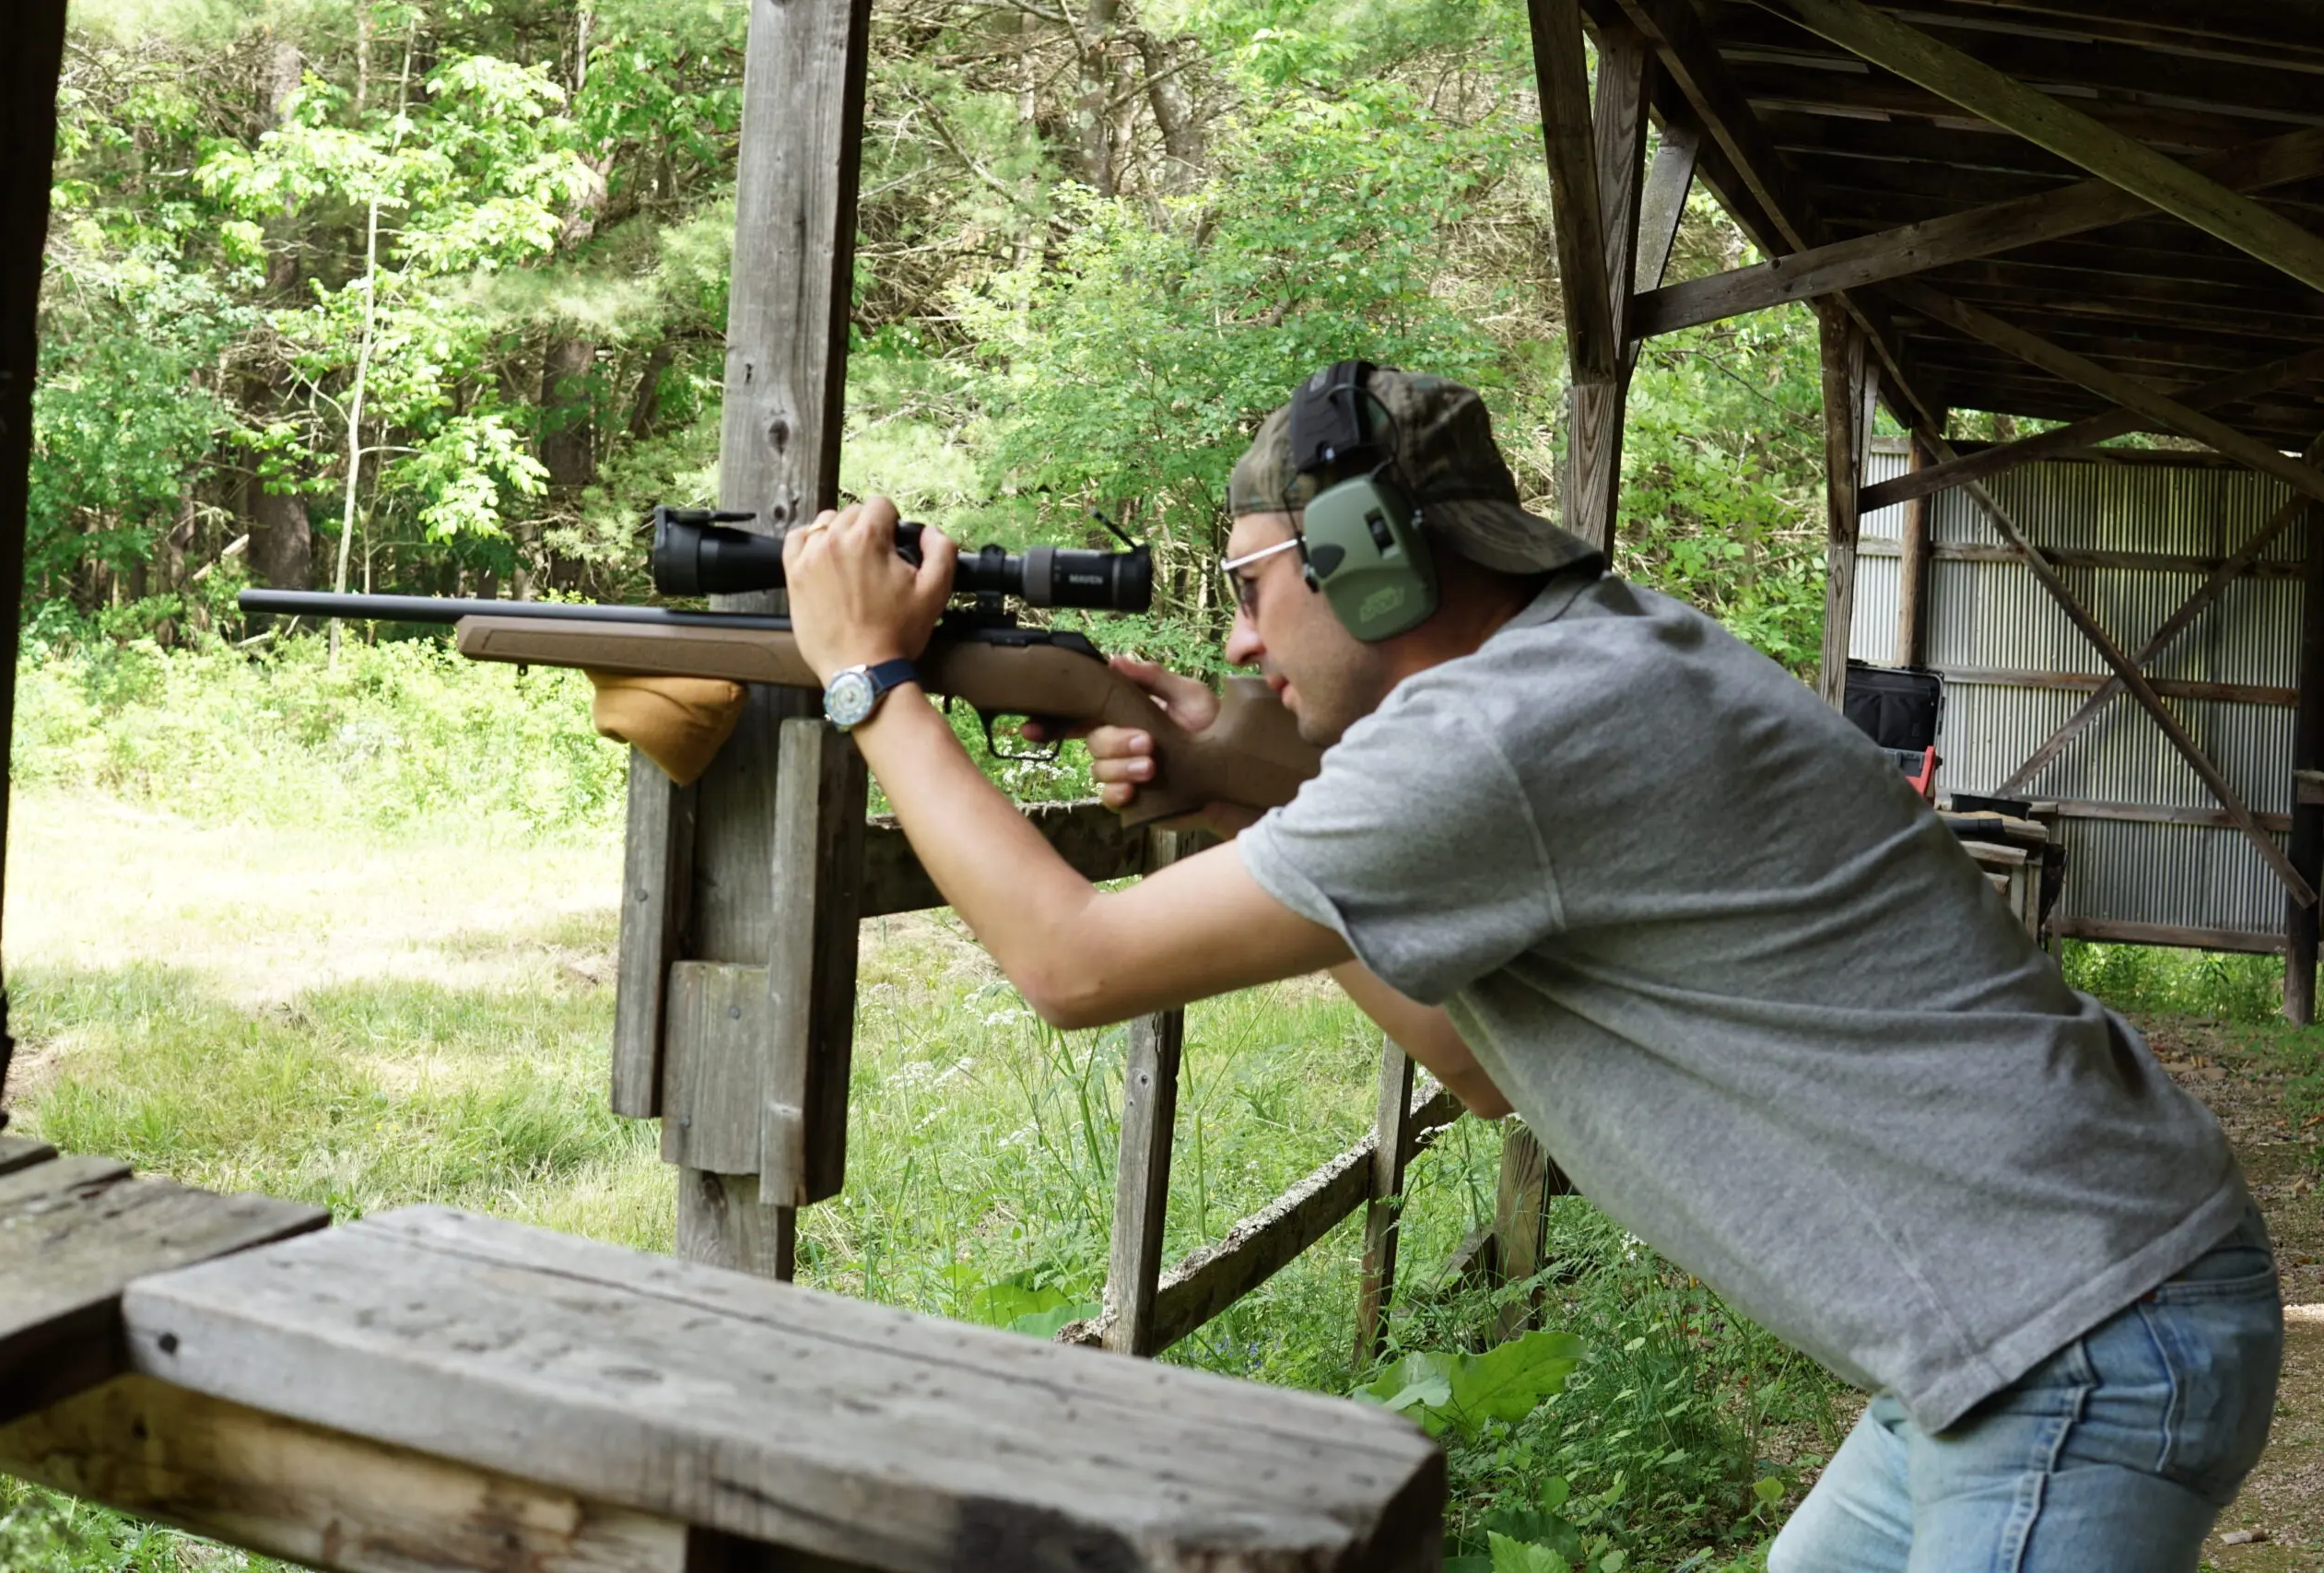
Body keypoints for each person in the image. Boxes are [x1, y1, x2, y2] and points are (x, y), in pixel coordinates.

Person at [618, 365, 2282, 1570]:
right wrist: (1245, 808)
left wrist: (870, 687)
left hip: (2074, 1337)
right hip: (2010, 1336)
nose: (1246, 639)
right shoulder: (1583, 666)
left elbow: (1067, 963)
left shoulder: (1507, 734)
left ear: (1373, 553)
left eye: (1258, 586)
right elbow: (1489, 1066)